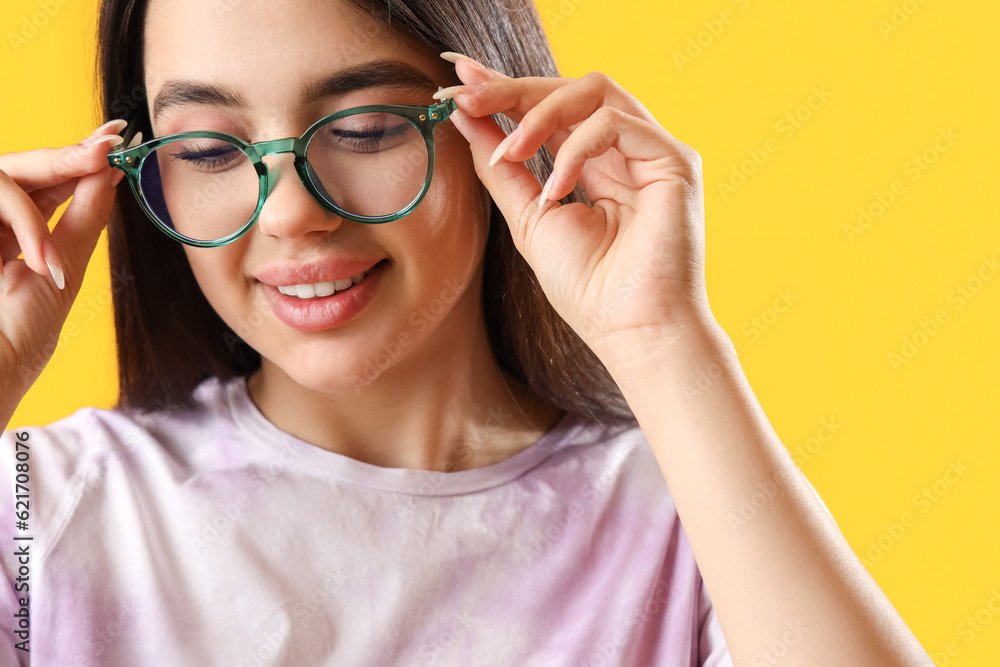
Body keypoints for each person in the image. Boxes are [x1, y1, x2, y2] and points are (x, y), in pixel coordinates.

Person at [0, 0, 934, 665]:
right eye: (206, 148)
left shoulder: (694, 517)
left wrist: (661, 336)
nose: (287, 213)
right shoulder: (41, 508)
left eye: (365, 128)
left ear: (497, 116)